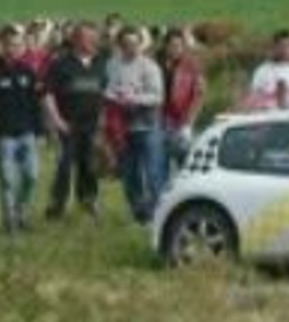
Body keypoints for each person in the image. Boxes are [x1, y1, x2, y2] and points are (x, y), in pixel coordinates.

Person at [0, 26, 43, 233]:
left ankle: (21, 210)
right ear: (2, 46)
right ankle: (11, 223)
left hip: (27, 133)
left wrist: (40, 132)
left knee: (32, 176)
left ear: (22, 47)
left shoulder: (28, 72)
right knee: (7, 181)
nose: (13, 49)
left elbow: (35, 104)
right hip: (4, 136)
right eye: (9, 45)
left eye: (17, 45)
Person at [44, 21, 108, 219]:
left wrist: (105, 119)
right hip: (68, 124)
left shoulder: (102, 63)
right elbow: (48, 94)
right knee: (65, 165)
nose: (92, 42)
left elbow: (108, 93)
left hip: (93, 125)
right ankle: (57, 204)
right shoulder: (60, 64)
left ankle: (88, 200)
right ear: (76, 40)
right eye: (87, 38)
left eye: (94, 38)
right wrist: (57, 120)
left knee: (89, 164)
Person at [105, 26, 166, 224]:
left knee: (153, 174)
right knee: (129, 175)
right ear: (120, 45)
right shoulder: (112, 65)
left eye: (134, 43)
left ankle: (159, 214)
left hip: (147, 127)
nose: (130, 47)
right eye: (126, 44)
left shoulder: (150, 66)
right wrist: (114, 97)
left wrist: (134, 99)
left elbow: (157, 97)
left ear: (140, 44)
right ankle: (139, 215)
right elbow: (107, 89)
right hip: (123, 130)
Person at [159, 28, 205, 170]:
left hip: (182, 121)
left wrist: (189, 124)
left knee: (185, 163)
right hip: (161, 121)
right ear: (166, 46)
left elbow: (199, 95)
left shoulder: (192, 66)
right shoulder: (158, 65)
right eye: (172, 46)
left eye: (179, 46)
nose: (175, 49)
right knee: (160, 163)